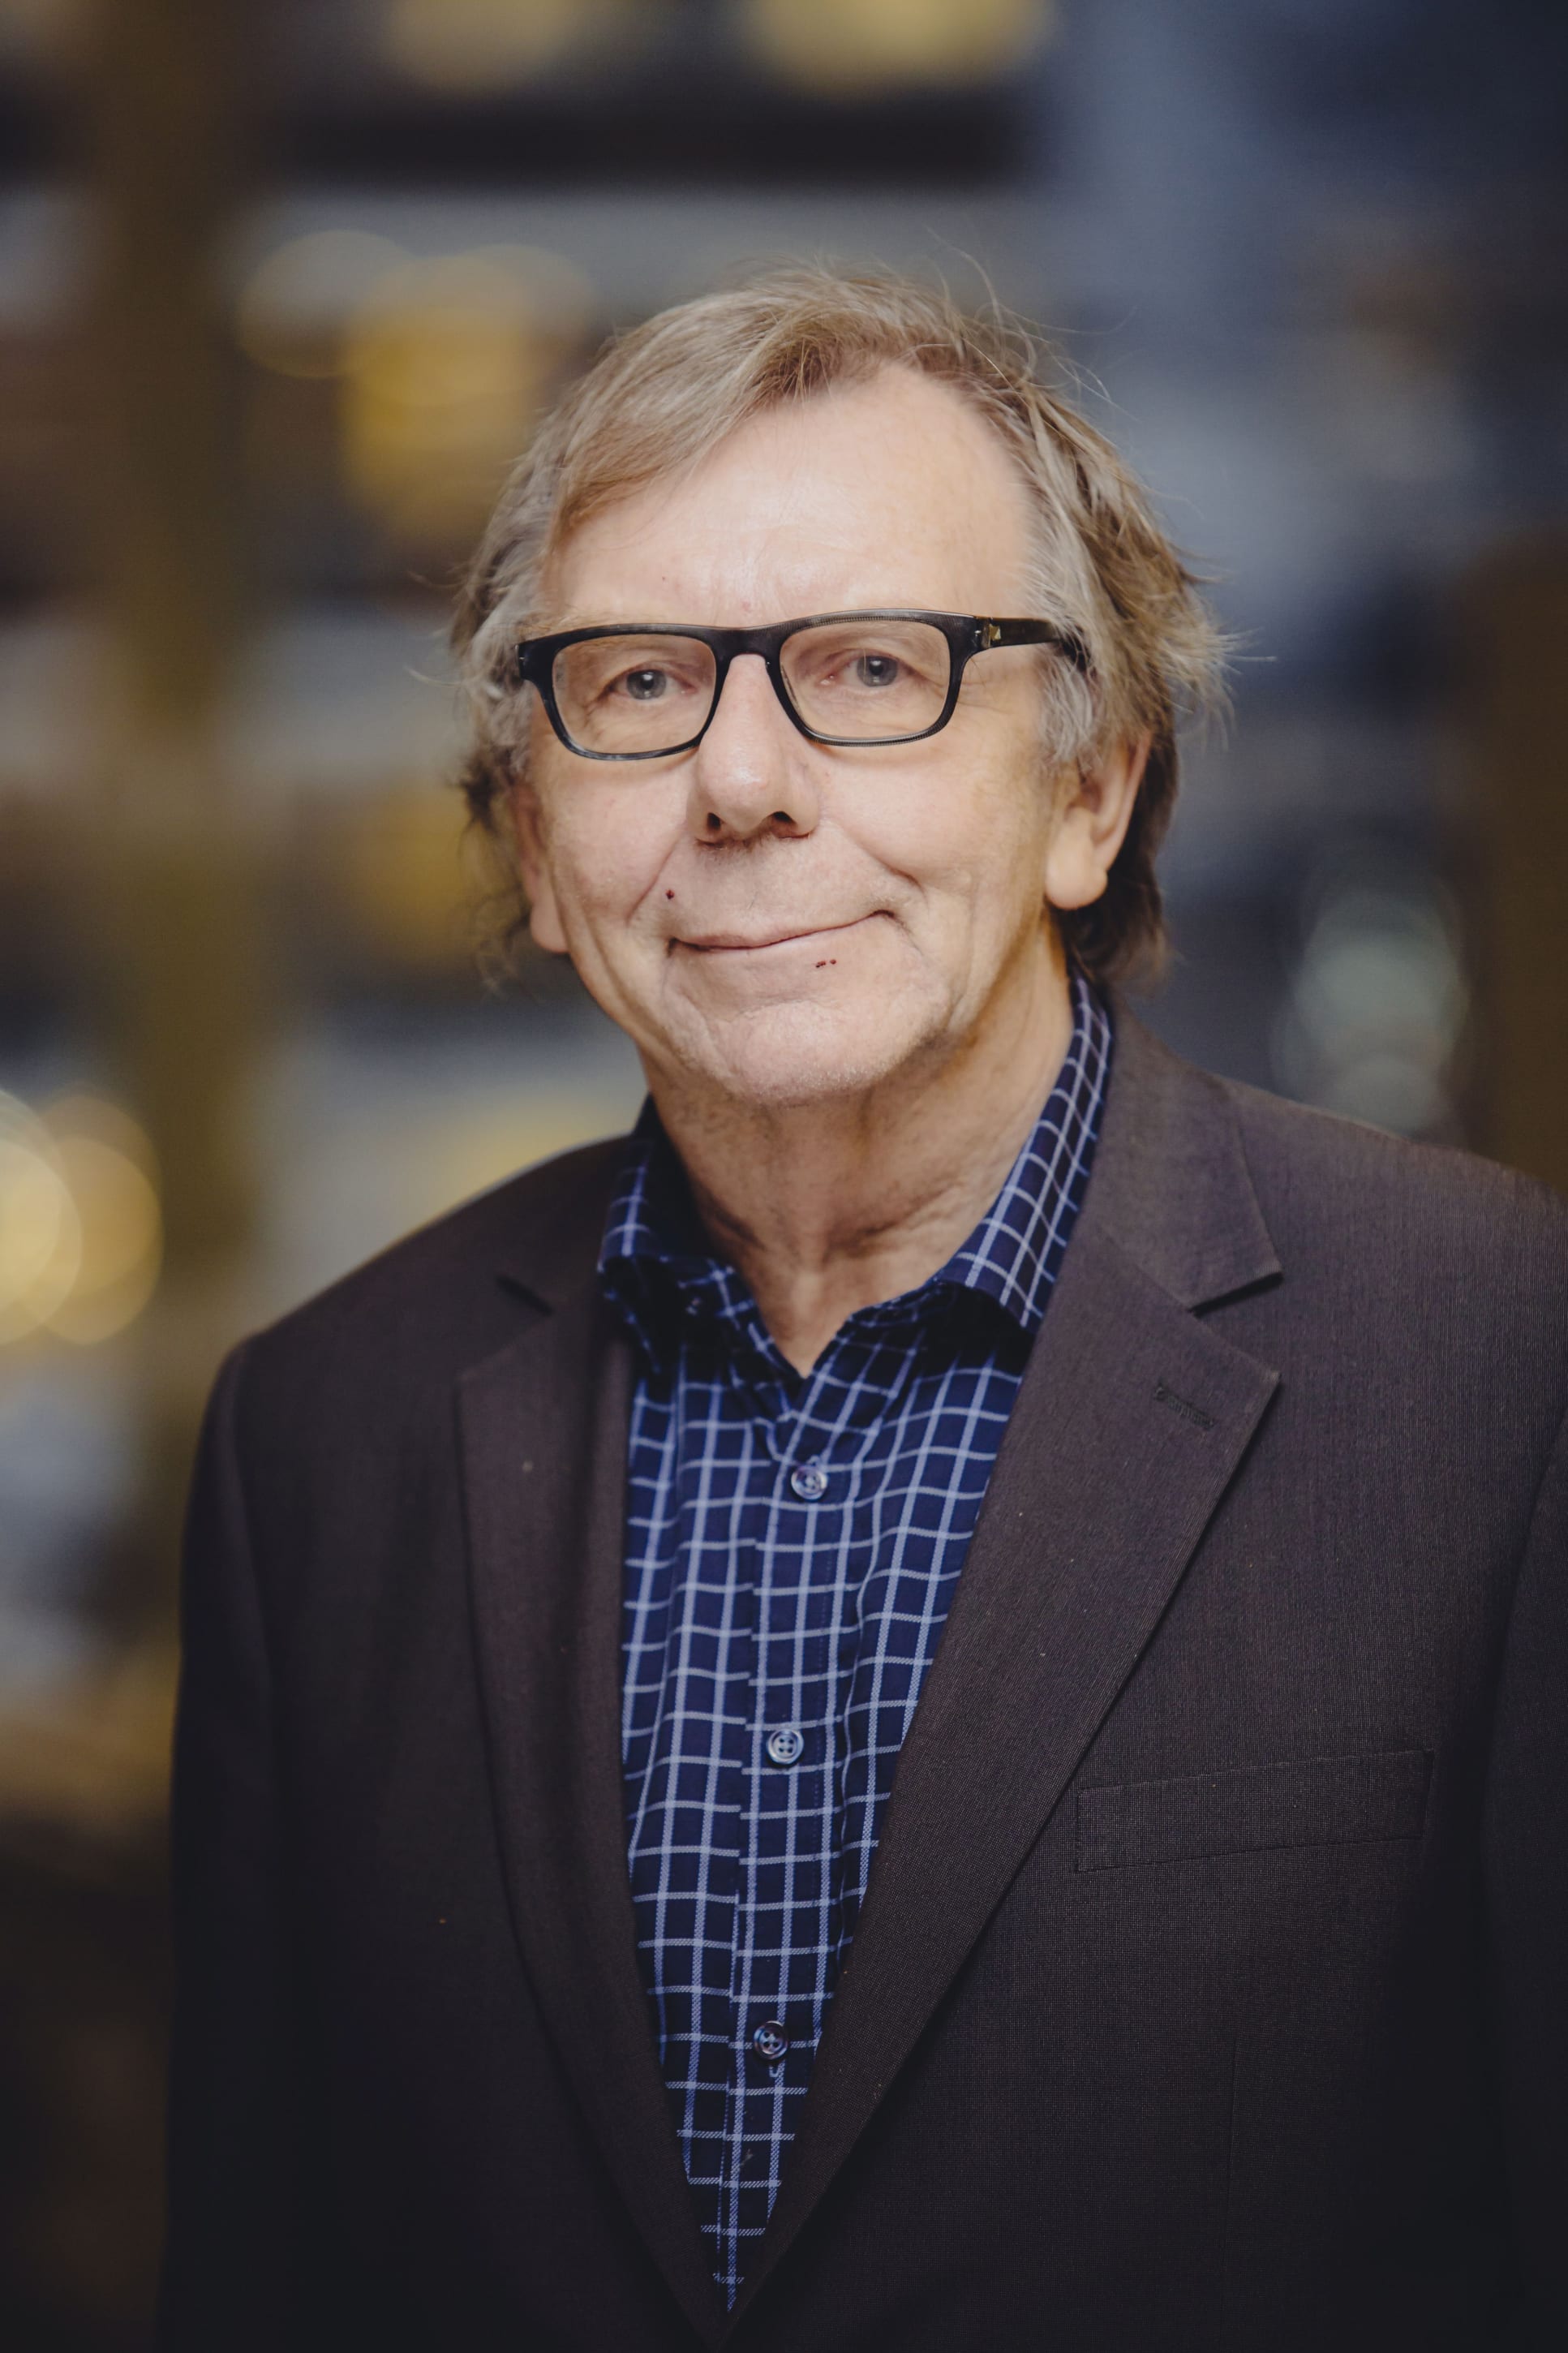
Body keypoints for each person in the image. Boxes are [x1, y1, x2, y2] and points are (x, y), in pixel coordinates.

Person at [158, 271, 1567, 2352]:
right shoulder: (320, 1438)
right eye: (638, 682)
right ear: (535, 839)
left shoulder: (1497, 1359)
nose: (742, 779)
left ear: (1089, 790)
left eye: (873, 667)